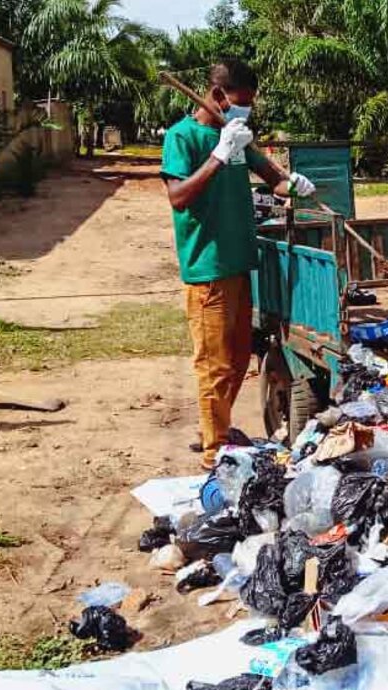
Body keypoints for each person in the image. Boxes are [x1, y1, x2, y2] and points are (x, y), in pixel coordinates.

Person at [160, 58, 317, 469]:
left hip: (238, 264)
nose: (244, 110)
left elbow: (273, 178)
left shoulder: (239, 137)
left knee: (234, 361)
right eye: (239, 102)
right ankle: (214, 457)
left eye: (249, 104)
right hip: (206, 270)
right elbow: (178, 197)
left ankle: (216, 428)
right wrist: (217, 155)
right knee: (212, 366)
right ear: (216, 96)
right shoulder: (183, 137)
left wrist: (293, 185)